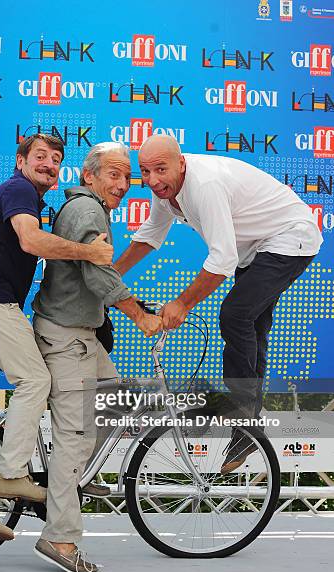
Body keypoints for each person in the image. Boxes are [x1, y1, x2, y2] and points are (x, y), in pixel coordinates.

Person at [114, 134, 323, 475]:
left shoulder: (204, 184)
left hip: (289, 236)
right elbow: (151, 234)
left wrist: (181, 303)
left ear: (181, 164)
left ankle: (245, 417)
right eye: (145, 172)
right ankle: (248, 425)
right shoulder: (165, 192)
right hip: (253, 246)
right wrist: (113, 274)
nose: (152, 181)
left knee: (236, 314)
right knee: (250, 324)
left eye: (160, 170)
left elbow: (222, 260)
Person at [0, 134, 114, 541]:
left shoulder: (20, 194)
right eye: (40, 156)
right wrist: (90, 252)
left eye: (56, 160)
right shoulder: (18, 189)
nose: (49, 164)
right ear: (21, 161)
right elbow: (30, 240)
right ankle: (11, 474)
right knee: (36, 380)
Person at [32, 142, 163, 572]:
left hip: (83, 335)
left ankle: (65, 485)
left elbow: (95, 275)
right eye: (114, 174)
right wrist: (140, 315)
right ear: (90, 176)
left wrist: (129, 302)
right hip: (68, 340)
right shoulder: (88, 211)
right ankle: (60, 538)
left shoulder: (86, 207)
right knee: (76, 437)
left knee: (116, 403)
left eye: (127, 177)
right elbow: (96, 270)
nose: (123, 184)